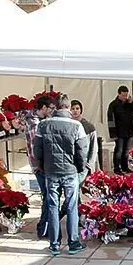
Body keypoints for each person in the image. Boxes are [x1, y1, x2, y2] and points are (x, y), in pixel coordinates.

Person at [33, 94, 88, 255]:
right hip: (70, 171)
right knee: (71, 206)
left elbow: (37, 150)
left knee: (52, 206)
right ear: (69, 108)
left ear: (55, 107)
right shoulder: (77, 126)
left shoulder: (43, 125)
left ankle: (54, 244)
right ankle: (73, 243)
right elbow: (82, 151)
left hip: (51, 171)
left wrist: (44, 165)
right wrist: (79, 168)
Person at [25, 95, 55, 238]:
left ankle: (45, 226)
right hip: (40, 166)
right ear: (43, 108)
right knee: (48, 196)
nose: (52, 111)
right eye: (50, 108)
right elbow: (36, 149)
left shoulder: (40, 121)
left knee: (48, 196)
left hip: (43, 165)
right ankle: (43, 228)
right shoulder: (35, 125)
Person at [107, 86, 133, 175]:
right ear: (119, 94)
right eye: (123, 95)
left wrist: (132, 103)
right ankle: (117, 168)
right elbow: (110, 120)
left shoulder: (129, 104)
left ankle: (125, 167)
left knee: (126, 151)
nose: (125, 97)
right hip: (118, 131)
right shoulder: (113, 105)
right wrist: (113, 134)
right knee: (119, 151)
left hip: (128, 131)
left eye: (126, 95)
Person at [70, 100, 97, 183]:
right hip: (71, 164)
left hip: (85, 164)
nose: (75, 111)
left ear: (81, 110)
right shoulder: (67, 126)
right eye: (73, 108)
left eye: (77, 108)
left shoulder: (89, 126)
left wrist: (90, 164)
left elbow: (94, 147)